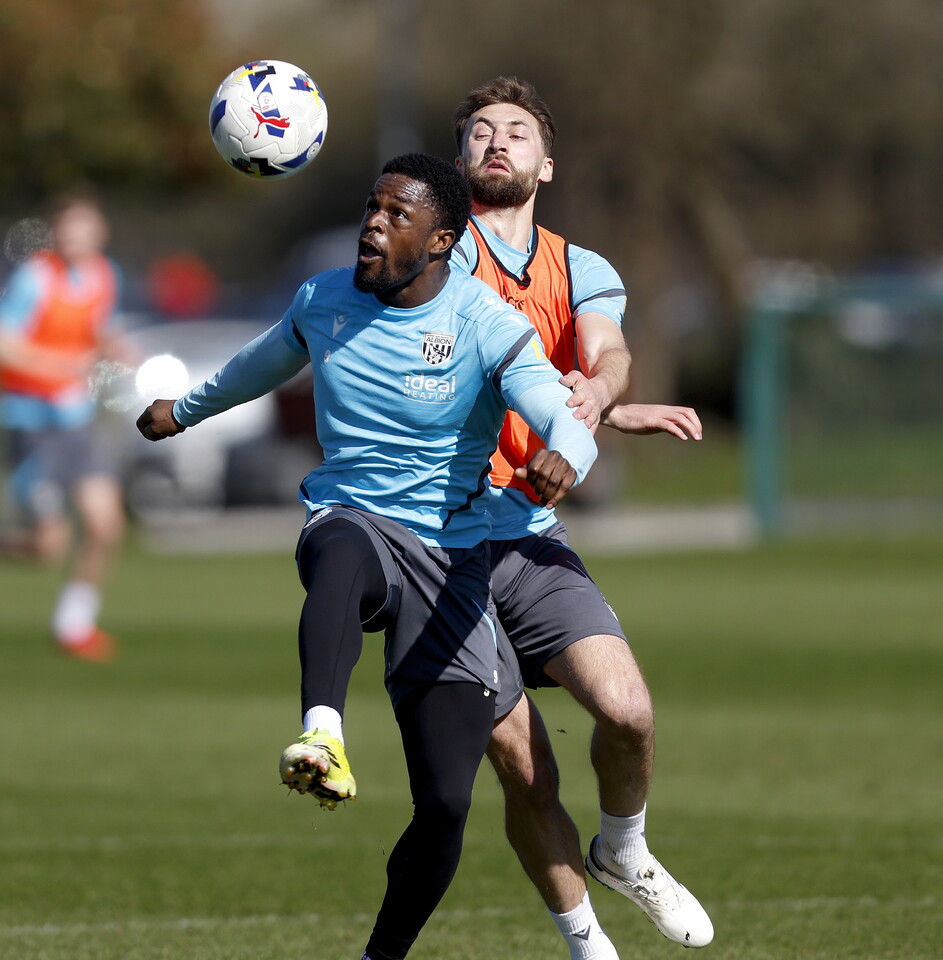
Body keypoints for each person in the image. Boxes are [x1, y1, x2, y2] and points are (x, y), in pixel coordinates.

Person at [134, 152, 599, 960]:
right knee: (340, 547)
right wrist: (185, 410)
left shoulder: (485, 322)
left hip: (452, 561)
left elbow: (557, 412)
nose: (373, 225)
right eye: (371, 208)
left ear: (443, 239)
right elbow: (261, 365)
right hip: (353, 519)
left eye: (396, 214)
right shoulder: (325, 300)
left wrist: (567, 456)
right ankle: (321, 732)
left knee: (447, 805)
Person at [451, 77, 712, 957]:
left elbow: (607, 352)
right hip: (438, 550)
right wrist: (592, 408)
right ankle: (585, 944)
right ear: (459, 161)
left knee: (628, 712)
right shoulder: (439, 262)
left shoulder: (582, 268)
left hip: (527, 533)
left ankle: (625, 849)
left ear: (546, 162)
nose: (497, 142)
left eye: (516, 133)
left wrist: (602, 394)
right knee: (527, 767)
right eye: (481, 132)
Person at [0, 189, 130, 662]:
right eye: (66, 227)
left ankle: (73, 625)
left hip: (75, 420)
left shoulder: (104, 275)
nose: (75, 235)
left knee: (106, 525)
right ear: (55, 233)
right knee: (48, 545)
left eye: (84, 225)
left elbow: (97, 331)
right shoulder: (35, 278)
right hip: (30, 423)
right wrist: (58, 364)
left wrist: (116, 348)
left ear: (100, 230)